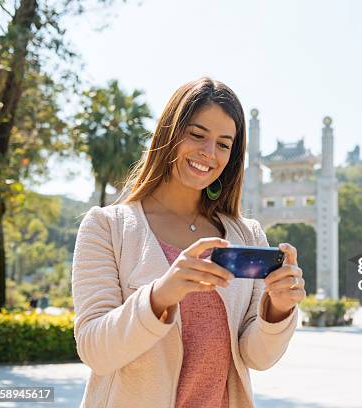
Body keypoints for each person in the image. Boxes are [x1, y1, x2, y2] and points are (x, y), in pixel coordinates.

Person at [71, 77, 306, 407]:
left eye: (224, 144)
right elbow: (96, 351)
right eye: (197, 135)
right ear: (170, 132)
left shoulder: (247, 234)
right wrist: (161, 294)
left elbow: (256, 357)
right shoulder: (107, 227)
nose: (208, 153)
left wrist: (278, 308)